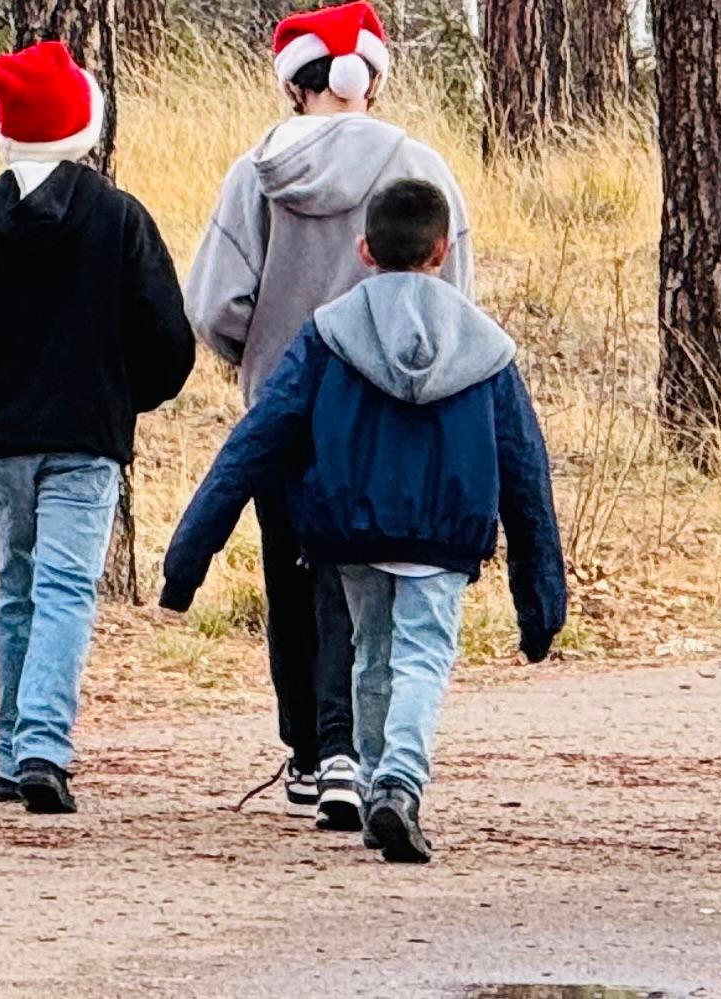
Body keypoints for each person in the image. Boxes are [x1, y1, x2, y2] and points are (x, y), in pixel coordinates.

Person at [158, 178, 564, 866]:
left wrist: (187, 560)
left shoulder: (327, 334)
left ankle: (378, 783)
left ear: (364, 250)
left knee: (370, 652)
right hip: (443, 530)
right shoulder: (486, 348)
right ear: (443, 249)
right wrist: (540, 597)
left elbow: (256, 440)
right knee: (423, 654)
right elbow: (526, 473)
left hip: (349, 526)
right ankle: (399, 782)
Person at [180, 0, 473, 828]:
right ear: (371, 78)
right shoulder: (425, 170)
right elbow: (455, 299)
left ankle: (312, 750)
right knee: (378, 581)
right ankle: (372, 751)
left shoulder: (256, 174)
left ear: (294, 85)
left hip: (288, 404)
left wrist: (261, 356)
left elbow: (214, 302)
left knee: (293, 571)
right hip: (395, 412)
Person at [0, 40, 196, 816]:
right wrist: (124, 394)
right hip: (87, 433)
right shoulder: (120, 218)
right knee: (67, 587)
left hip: (1, 437)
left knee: (15, 581)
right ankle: (41, 745)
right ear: (84, 125)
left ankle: (13, 748)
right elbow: (168, 337)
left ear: (0, 127)